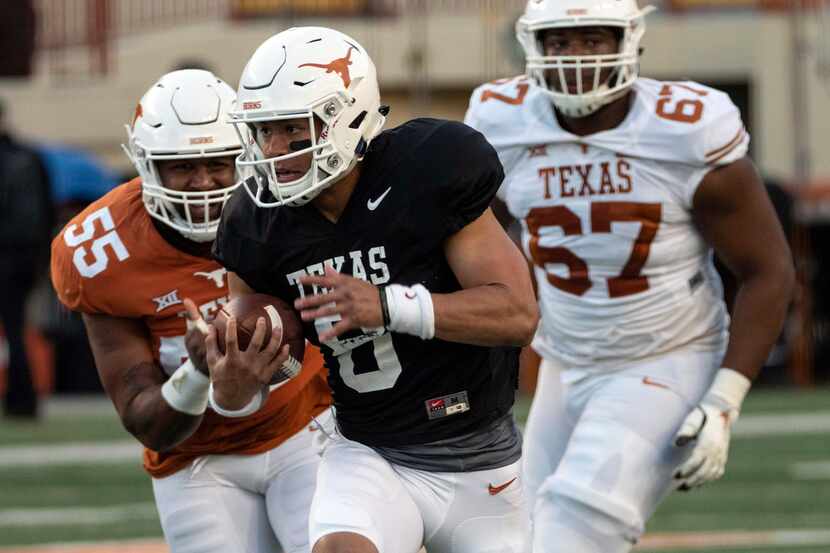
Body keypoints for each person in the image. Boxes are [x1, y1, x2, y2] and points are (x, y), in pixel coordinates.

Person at [464, 1, 796, 552]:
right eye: (560, 42)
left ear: (631, 39)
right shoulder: (501, 121)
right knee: (515, 536)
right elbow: (475, 247)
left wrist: (722, 400)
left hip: (667, 356)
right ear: (532, 45)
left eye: (593, 39)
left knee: (575, 526)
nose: (575, 57)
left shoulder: (685, 130)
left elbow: (768, 269)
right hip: (566, 362)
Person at [211, 26, 538, 553]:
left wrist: (388, 305)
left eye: (292, 129)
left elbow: (517, 313)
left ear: (348, 116)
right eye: (263, 131)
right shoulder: (256, 223)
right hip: (369, 452)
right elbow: (266, 372)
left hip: (482, 462)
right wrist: (232, 390)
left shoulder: (426, 169)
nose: (274, 150)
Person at [50, 69, 332, 553]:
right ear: (145, 165)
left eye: (219, 162)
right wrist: (199, 372)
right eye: (181, 166)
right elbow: (144, 419)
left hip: (306, 427)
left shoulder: (292, 204)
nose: (202, 183)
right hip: (197, 456)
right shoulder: (99, 249)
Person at [0, 97, 53, 419]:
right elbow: (46, 211)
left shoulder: (20, 159)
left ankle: (20, 399)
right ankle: (23, 401)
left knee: (16, 331)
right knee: (17, 329)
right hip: (24, 257)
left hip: (9, 254)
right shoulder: (30, 157)